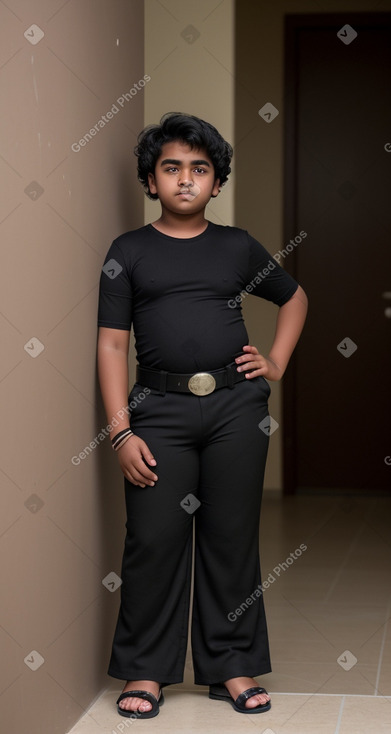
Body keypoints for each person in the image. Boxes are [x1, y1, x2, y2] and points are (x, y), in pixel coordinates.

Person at [97, 112, 308, 719]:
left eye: (199, 169)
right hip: (155, 412)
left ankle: (231, 665)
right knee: (155, 538)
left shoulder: (237, 246)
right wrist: (120, 432)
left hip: (236, 410)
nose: (185, 179)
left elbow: (294, 298)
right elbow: (112, 345)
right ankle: (146, 670)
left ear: (216, 183)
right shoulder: (127, 252)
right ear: (150, 180)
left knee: (231, 536)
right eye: (171, 168)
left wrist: (275, 362)